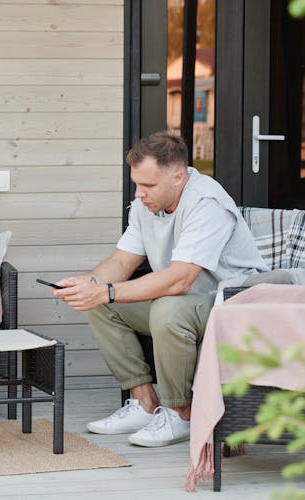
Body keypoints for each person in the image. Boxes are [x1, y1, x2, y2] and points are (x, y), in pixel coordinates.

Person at [51, 131, 267, 447]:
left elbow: (180, 279)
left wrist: (107, 290)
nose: (139, 193)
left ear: (178, 177)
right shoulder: (145, 204)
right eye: (136, 183)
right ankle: (144, 403)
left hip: (232, 302)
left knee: (165, 308)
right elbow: (122, 262)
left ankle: (181, 413)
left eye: (148, 185)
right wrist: (89, 284)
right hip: (188, 301)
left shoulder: (207, 203)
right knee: (101, 303)